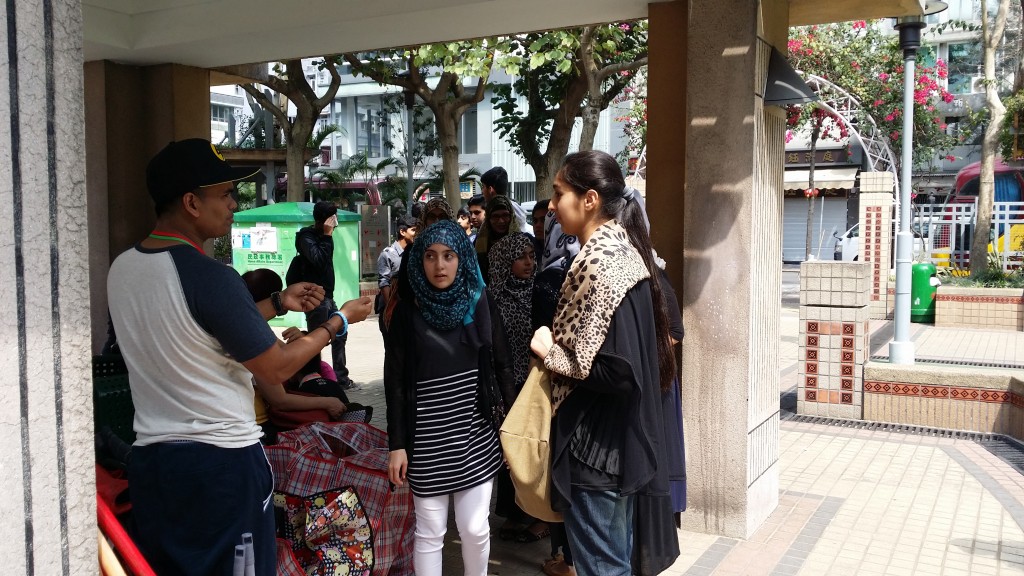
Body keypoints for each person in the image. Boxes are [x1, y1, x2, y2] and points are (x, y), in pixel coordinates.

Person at [107, 138, 373, 576]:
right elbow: (276, 366)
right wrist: (338, 322)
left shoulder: (124, 268)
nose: (234, 204)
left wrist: (278, 302)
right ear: (192, 202)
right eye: (226, 194)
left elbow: (192, 327)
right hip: (220, 465)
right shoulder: (210, 276)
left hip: (154, 462)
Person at [530, 150, 680, 576]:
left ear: (590, 199)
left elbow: (618, 370)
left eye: (559, 193)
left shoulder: (601, 264)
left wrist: (550, 352)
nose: (553, 205)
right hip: (614, 442)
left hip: (595, 447)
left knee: (603, 568)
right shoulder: (624, 254)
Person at [383, 219, 515, 576]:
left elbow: (503, 365)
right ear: (419, 261)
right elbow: (395, 382)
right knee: (430, 533)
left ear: (462, 259)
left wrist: (513, 430)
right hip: (426, 444)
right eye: (430, 256)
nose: (439, 265)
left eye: (448, 255)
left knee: (474, 529)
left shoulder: (480, 300)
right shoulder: (407, 311)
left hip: (475, 437)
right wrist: (397, 445)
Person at [241, 269, 369, 444]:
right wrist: (341, 318)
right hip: (253, 428)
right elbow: (280, 399)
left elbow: (298, 354)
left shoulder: (245, 327)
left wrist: (302, 338)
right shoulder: (250, 334)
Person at [487, 232, 550, 543]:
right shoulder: (493, 299)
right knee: (510, 451)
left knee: (535, 451)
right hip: (507, 386)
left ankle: (539, 518)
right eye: (520, 257)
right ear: (504, 261)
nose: (529, 262)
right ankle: (515, 513)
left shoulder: (540, 294)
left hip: (535, 385)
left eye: (531, 256)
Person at [290, 200, 358, 390]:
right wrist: (327, 236)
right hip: (315, 297)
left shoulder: (324, 236)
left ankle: (340, 378)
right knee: (316, 341)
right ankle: (313, 379)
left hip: (327, 296)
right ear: (323, 220)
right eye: (332, 218)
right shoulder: (306, 237)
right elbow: (319, 260)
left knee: (340, 334)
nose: (335, 222)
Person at [376, 214, 418, 314]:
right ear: (402, 232)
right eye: (413, 230)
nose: (417, 234)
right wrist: (391, 310)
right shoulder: (387, 254)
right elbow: (384, 282)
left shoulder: (415, 253)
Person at [475, 195, 522, 280]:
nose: (501, 221)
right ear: (488, 219)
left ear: (511, 216)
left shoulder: (522, 242)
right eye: (495, 216)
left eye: (505, 215)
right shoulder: (480, 243)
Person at [480, 166, 531, 233]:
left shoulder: (508, 209)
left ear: (490, 189)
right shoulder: (515, 208)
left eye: (483, 187)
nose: (501, 221)